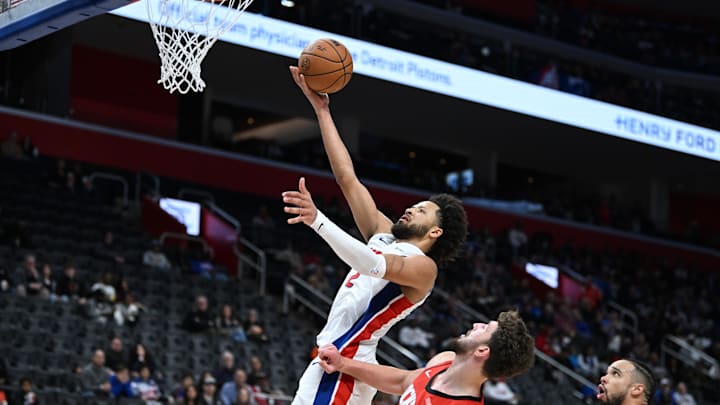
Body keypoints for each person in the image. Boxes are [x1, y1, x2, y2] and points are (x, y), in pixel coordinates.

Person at [317, 311, 535, 405]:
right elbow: (402, 381)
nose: (476, 325)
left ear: (482, 351)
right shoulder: (444, 361)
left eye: (485, 328)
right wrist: (343, 364)